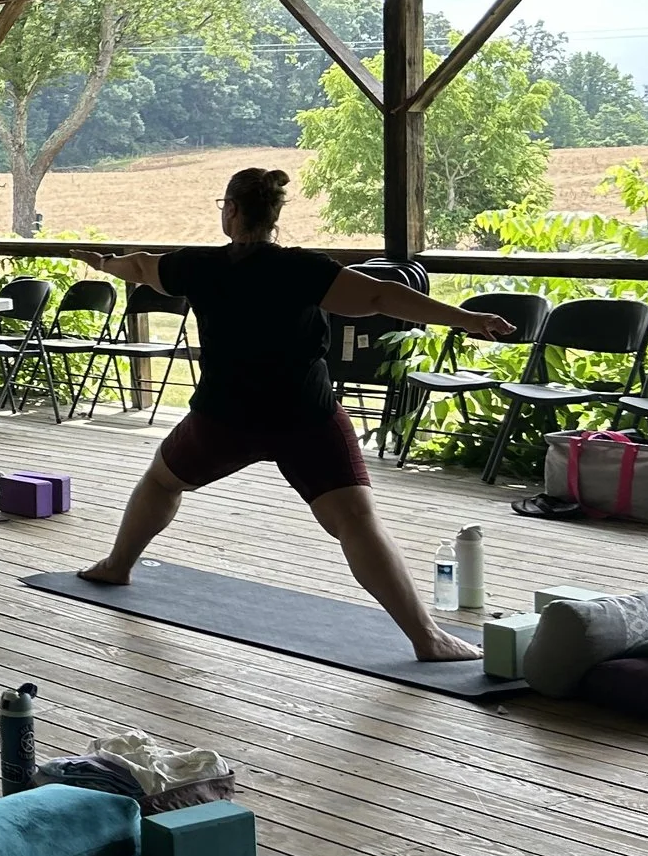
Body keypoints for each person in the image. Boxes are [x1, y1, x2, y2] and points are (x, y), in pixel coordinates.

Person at [75, 166, 514, 662]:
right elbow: (379, 297)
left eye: (224, 207)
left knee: (160, 482)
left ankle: (117, 565)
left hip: (225, 416)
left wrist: (104, 263)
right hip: (304, 414)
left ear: (233, 211)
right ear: (275, 214)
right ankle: (426, 638)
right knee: (355, 519)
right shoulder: (302, 269)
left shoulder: (198, 266)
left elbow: (139, 267)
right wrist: (466, 318)